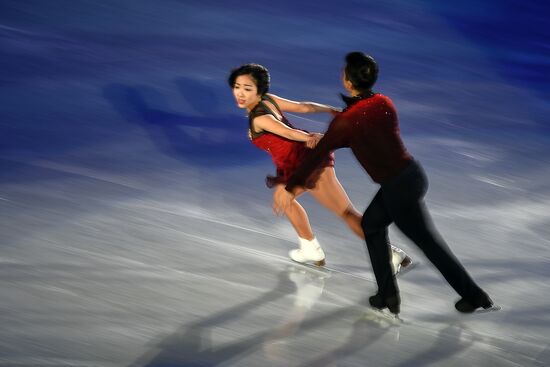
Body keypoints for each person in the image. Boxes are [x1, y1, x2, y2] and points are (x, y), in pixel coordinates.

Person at [273, 52, 494, 314]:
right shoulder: (383, 102)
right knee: (371, 225)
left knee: (427, 243)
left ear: (347, 82)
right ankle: (387, 295)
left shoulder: (345, 122)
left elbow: (317, 157)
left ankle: (473, 295)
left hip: (397, 188)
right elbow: (362, 131)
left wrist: (289, 188)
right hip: (412, 176)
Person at [228, 63, 411, 273]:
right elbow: (304, 106)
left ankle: (390, 253)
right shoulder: (268, 100)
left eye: (247, 88)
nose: (240, 93)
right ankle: (309, 248)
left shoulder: (260, 117)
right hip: (295, 164)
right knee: (284, 199)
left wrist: (308, 137)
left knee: (346, 212)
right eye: (237, 86)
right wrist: (328, 109)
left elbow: (287, 132)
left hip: (308, 164)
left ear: (259, 90)